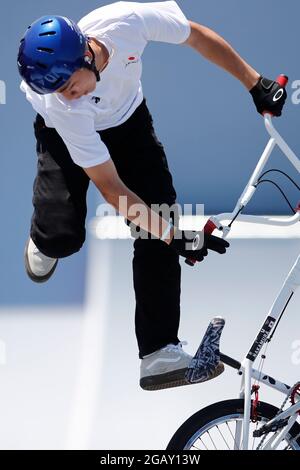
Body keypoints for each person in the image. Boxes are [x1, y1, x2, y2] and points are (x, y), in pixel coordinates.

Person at [17, 1, 286, 391]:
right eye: (59, 91)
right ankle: (45, 238)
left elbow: (196, 36)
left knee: (157, 223)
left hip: (130, 125)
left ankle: (159, 351)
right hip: (64, 137)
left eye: (69, 85)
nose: (69, 96)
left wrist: (254, 82)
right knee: (64, 236)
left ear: (86, 55)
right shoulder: (63, 108)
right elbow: (112, 189)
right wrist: (176, 238)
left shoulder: (126, 22)